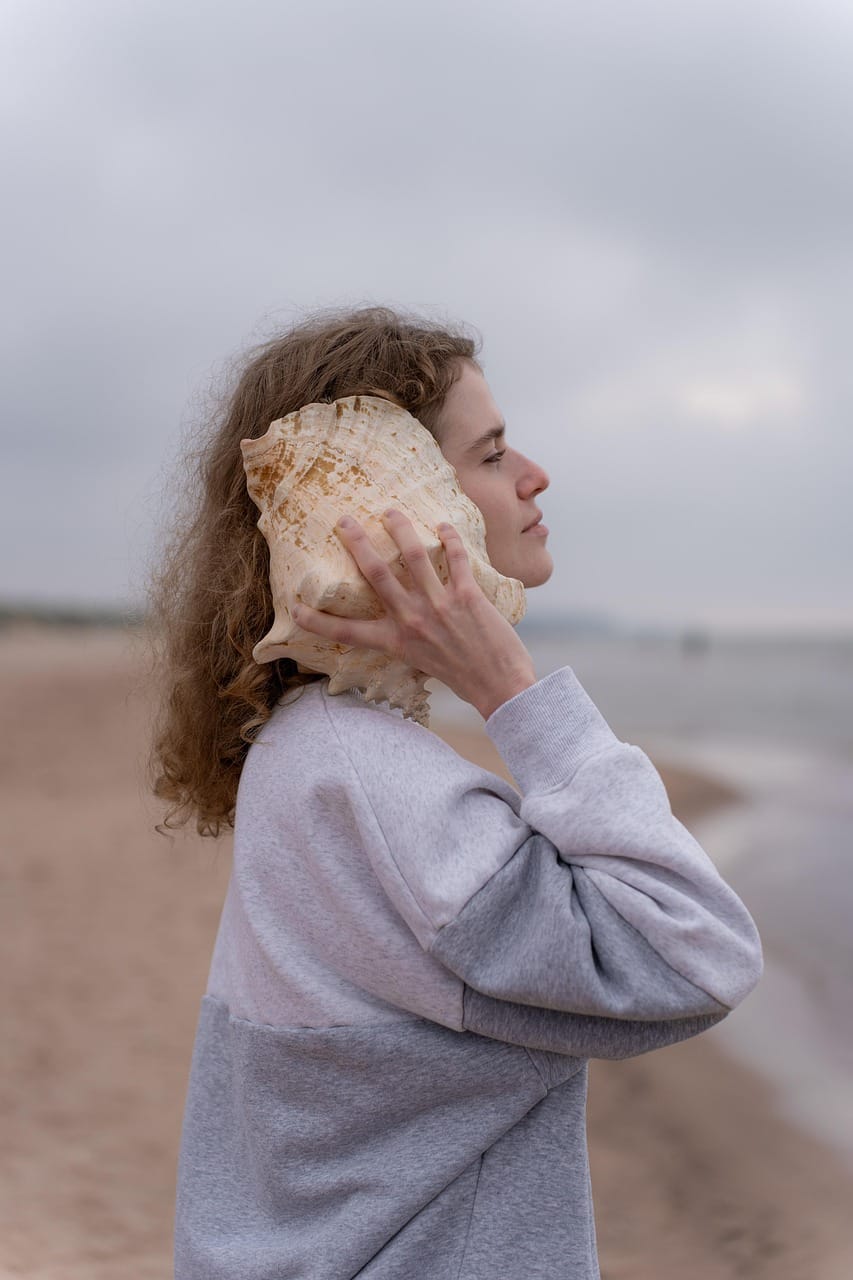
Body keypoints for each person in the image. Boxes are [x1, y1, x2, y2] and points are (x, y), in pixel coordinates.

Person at [150, 306, 762, 1280]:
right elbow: (696, 953)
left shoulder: (306, 752)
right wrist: (514, 690)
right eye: (491, 452)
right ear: (389, 497)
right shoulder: (378, 787)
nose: (533, 475)